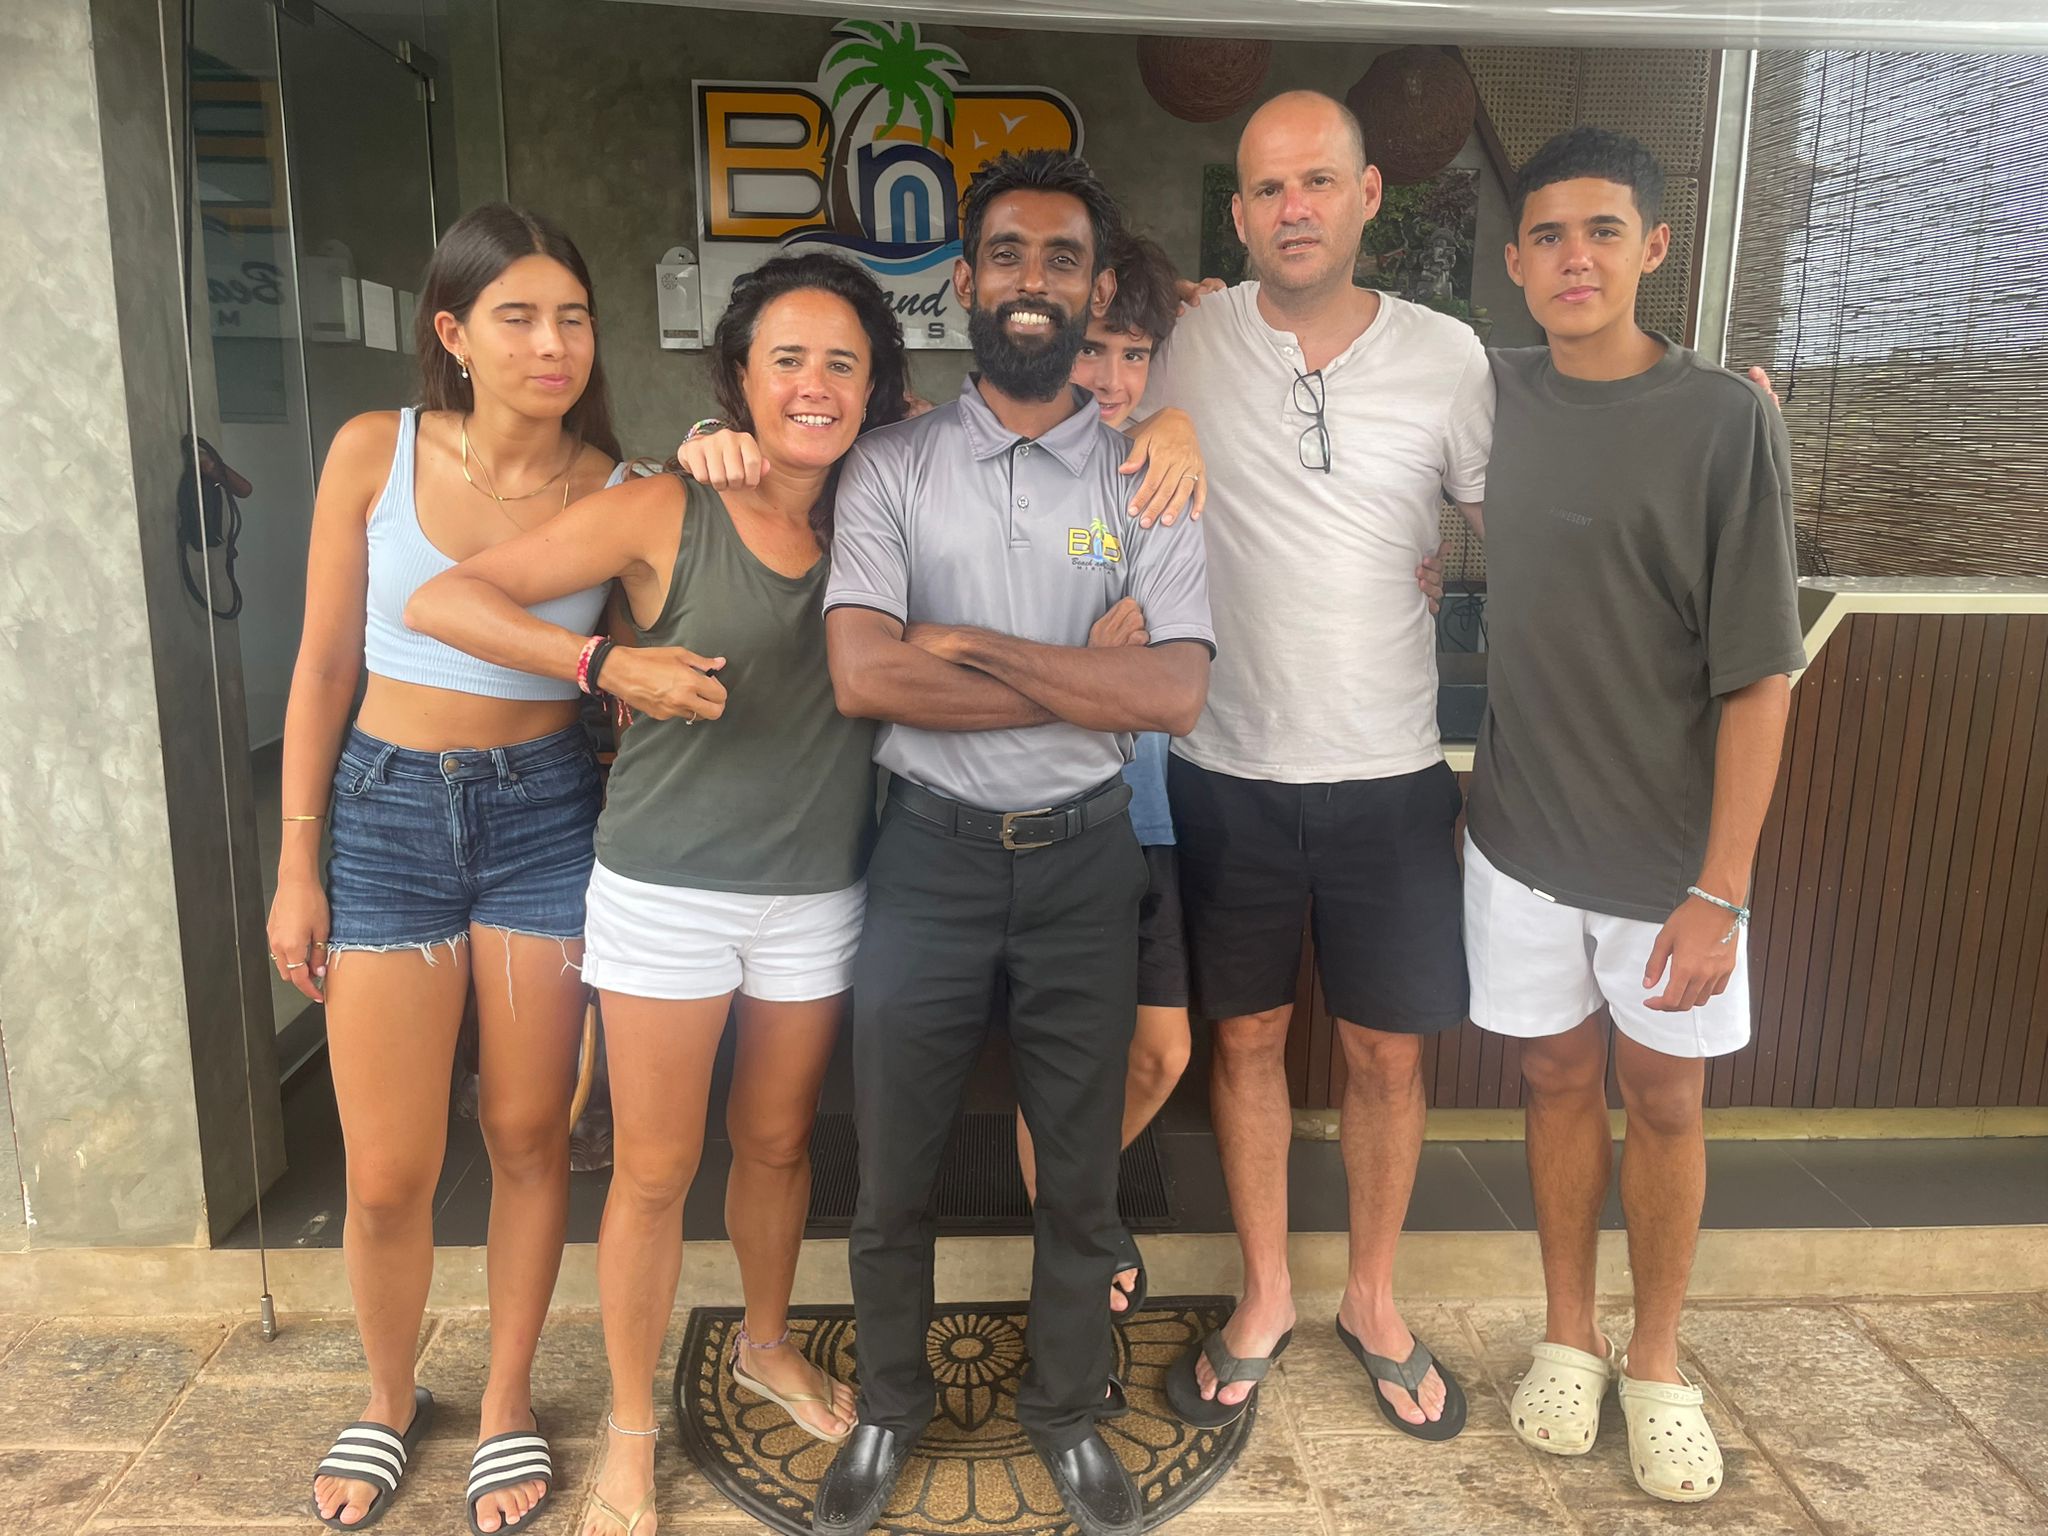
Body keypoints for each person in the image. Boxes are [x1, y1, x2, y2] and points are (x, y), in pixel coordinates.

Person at [406, 253, 912, 1536]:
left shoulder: (885, 505)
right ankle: (631, 1428)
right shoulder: (663, 506)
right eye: (785, 360)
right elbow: (445, 596)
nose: (813, 385)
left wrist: (1167, 414)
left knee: (779, 1142)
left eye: (841, 363)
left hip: (818, 890)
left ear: (874, 388)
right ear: (738, 377)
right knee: (652, 1168)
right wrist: (601, 664)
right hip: (667, 891)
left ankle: (762, 1344)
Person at [814, 150, 1214, 1536]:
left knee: (1081, 1174)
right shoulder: (890, 465)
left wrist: (968, 644)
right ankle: (889, 1405)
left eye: (1061, 258)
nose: (1031, 280)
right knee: (892, 1168)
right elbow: (864, 676)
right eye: (1006, 254)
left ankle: (1065, 1412)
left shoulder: (1147, 479)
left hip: (1084, 865)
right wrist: (1080, 675)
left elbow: (1174, 692)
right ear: (965, 281)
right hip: (924, 857)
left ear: (1096, 291)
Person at [274, 203, 625, 1534]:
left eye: (571, 317)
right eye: (517, 317)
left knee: (529, 1135)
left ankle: (508, 1400)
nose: (551, 344)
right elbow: (323, 665)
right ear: (454, 334)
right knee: (384, 1169)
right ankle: (386, 1392)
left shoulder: (618, 484)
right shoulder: (376, 450)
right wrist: (298, 860)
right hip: (385, 820)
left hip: (547, 817)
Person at [1466, 127, 1801, 1503]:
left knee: (1662, 1097)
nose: (1574, 258)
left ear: (1654, 247)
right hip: (1520, 839)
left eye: (1602, 230)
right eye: (1547, 235)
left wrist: (1722, 889)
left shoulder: (1725, 420)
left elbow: (1760, 676)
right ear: (1514, 261)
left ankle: (1657, 1359)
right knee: (1552, 1082)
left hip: (1670, 864)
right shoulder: (1489, 393)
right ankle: (1570, 1334)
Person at [1144, 91, 1485, 1440]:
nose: (1294, 208)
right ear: (1236, 213)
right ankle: (1268, 1293)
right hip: (1223, 762)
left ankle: (1374, 1300)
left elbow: (1519, 511)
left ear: (1367, 194)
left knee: (1385, 1054)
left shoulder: (1448, 356)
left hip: (1390, 770)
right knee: (1245, 1039)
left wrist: (1707, 422)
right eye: (1268, 188)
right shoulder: (1185, 336)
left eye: (1318, 182)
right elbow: (1075, 397)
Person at [1016, 231, 1196, 1334]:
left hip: (1154, 814)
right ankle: (1077, 1234)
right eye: (1095, 349)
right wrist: (1084, 666)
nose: (1115, 378)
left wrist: (1174, 415)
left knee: (1161, 1052)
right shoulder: (998, 465)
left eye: (1135, 355)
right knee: (1066, 1062)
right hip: (1049, 815)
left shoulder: (1159, 465)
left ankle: (1071, 1206)